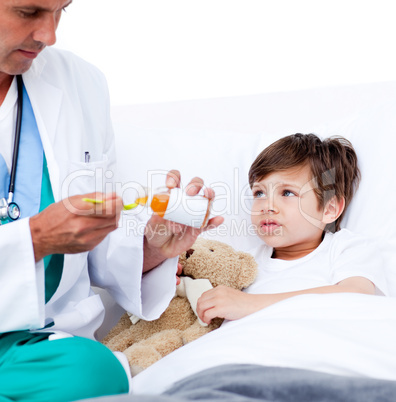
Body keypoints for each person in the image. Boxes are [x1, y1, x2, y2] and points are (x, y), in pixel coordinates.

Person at [0, 1, 222, 401]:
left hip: (35, 347)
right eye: (29, 12)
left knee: (93, 373)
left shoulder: (81, 83)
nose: (49, 35)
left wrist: (151, 246)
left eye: (61, 10)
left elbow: (90, 246)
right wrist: (33, 240)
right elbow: (44, 237)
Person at [197, 133, 388, 324]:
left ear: (329, 209)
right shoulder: (244, 263)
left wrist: (249, 304)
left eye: (287, 192)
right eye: (259, 193)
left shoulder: (346, 249)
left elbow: (355, 296)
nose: (267, 205)